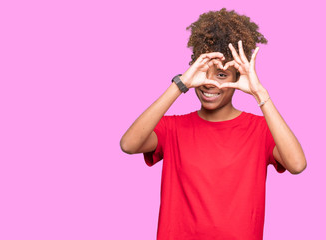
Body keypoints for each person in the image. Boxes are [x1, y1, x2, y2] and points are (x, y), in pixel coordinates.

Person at [120, 8, 306, 240]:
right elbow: (128, 144)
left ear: (237, 78)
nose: (209, 83)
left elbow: (297, 165)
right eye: (204, 73)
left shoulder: (260, 130)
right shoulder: (172, 129)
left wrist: (260, 93)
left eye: (221, 75)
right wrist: (181, 84)